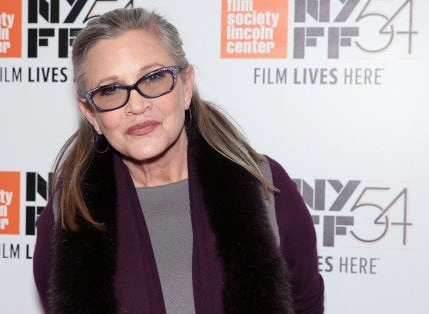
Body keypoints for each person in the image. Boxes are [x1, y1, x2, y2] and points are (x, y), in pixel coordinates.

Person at [33, 7, 324, 313]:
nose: (137, 105)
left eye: (154, 77)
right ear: (91, 112)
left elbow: (306, 304)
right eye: (110, 90)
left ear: (186, 86)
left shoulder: (265, 186)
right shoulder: (67, 214)